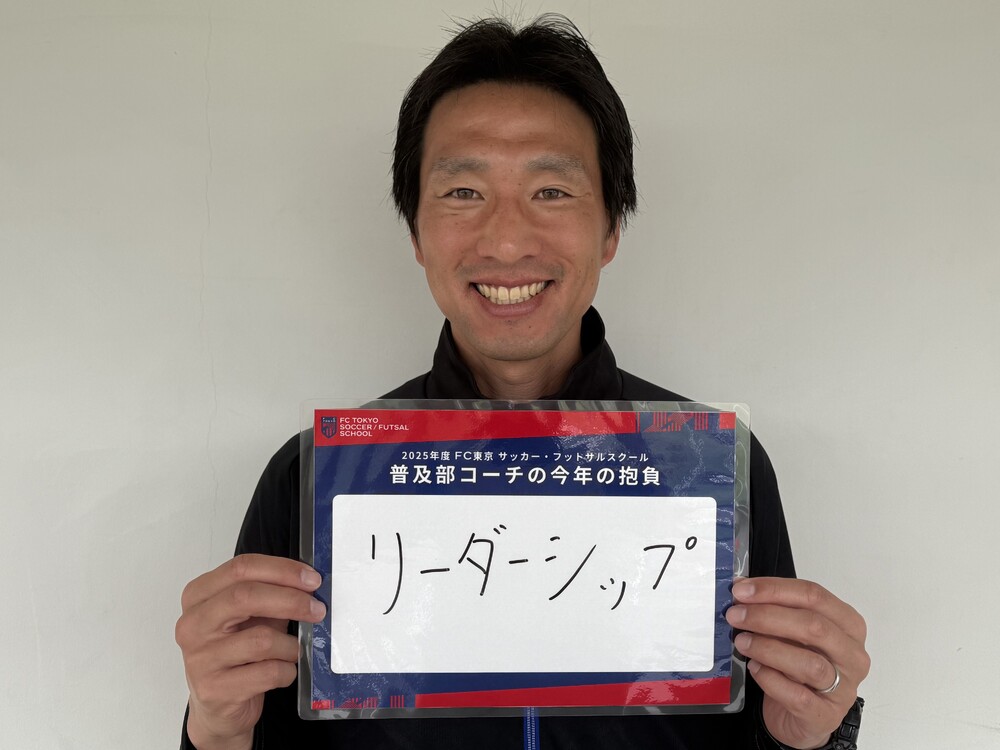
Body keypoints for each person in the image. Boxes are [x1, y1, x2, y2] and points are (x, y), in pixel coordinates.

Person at [175, 15, 869, 750]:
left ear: (611, 229)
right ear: (415, 233)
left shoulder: (710, 469)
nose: (506, 241)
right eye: (463, 191)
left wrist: (808, 737)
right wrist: (216, 729)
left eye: (552, 191)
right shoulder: (315, 477)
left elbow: (764, 733)